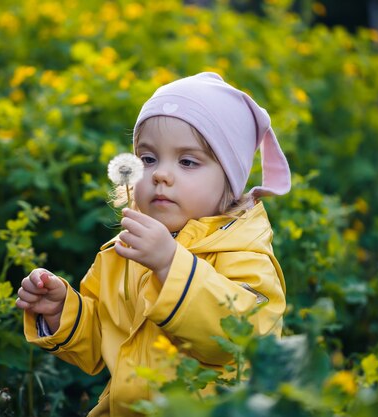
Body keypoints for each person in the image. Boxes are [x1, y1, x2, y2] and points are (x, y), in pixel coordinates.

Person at [15, 72, 292, 417]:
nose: (160, 174)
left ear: (231, 180)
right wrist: (61, 313)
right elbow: (102, 343)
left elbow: (242, 336)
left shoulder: (243, 253)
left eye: (188, 161)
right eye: (148, 159)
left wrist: (169, 264)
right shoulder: (123, 250)